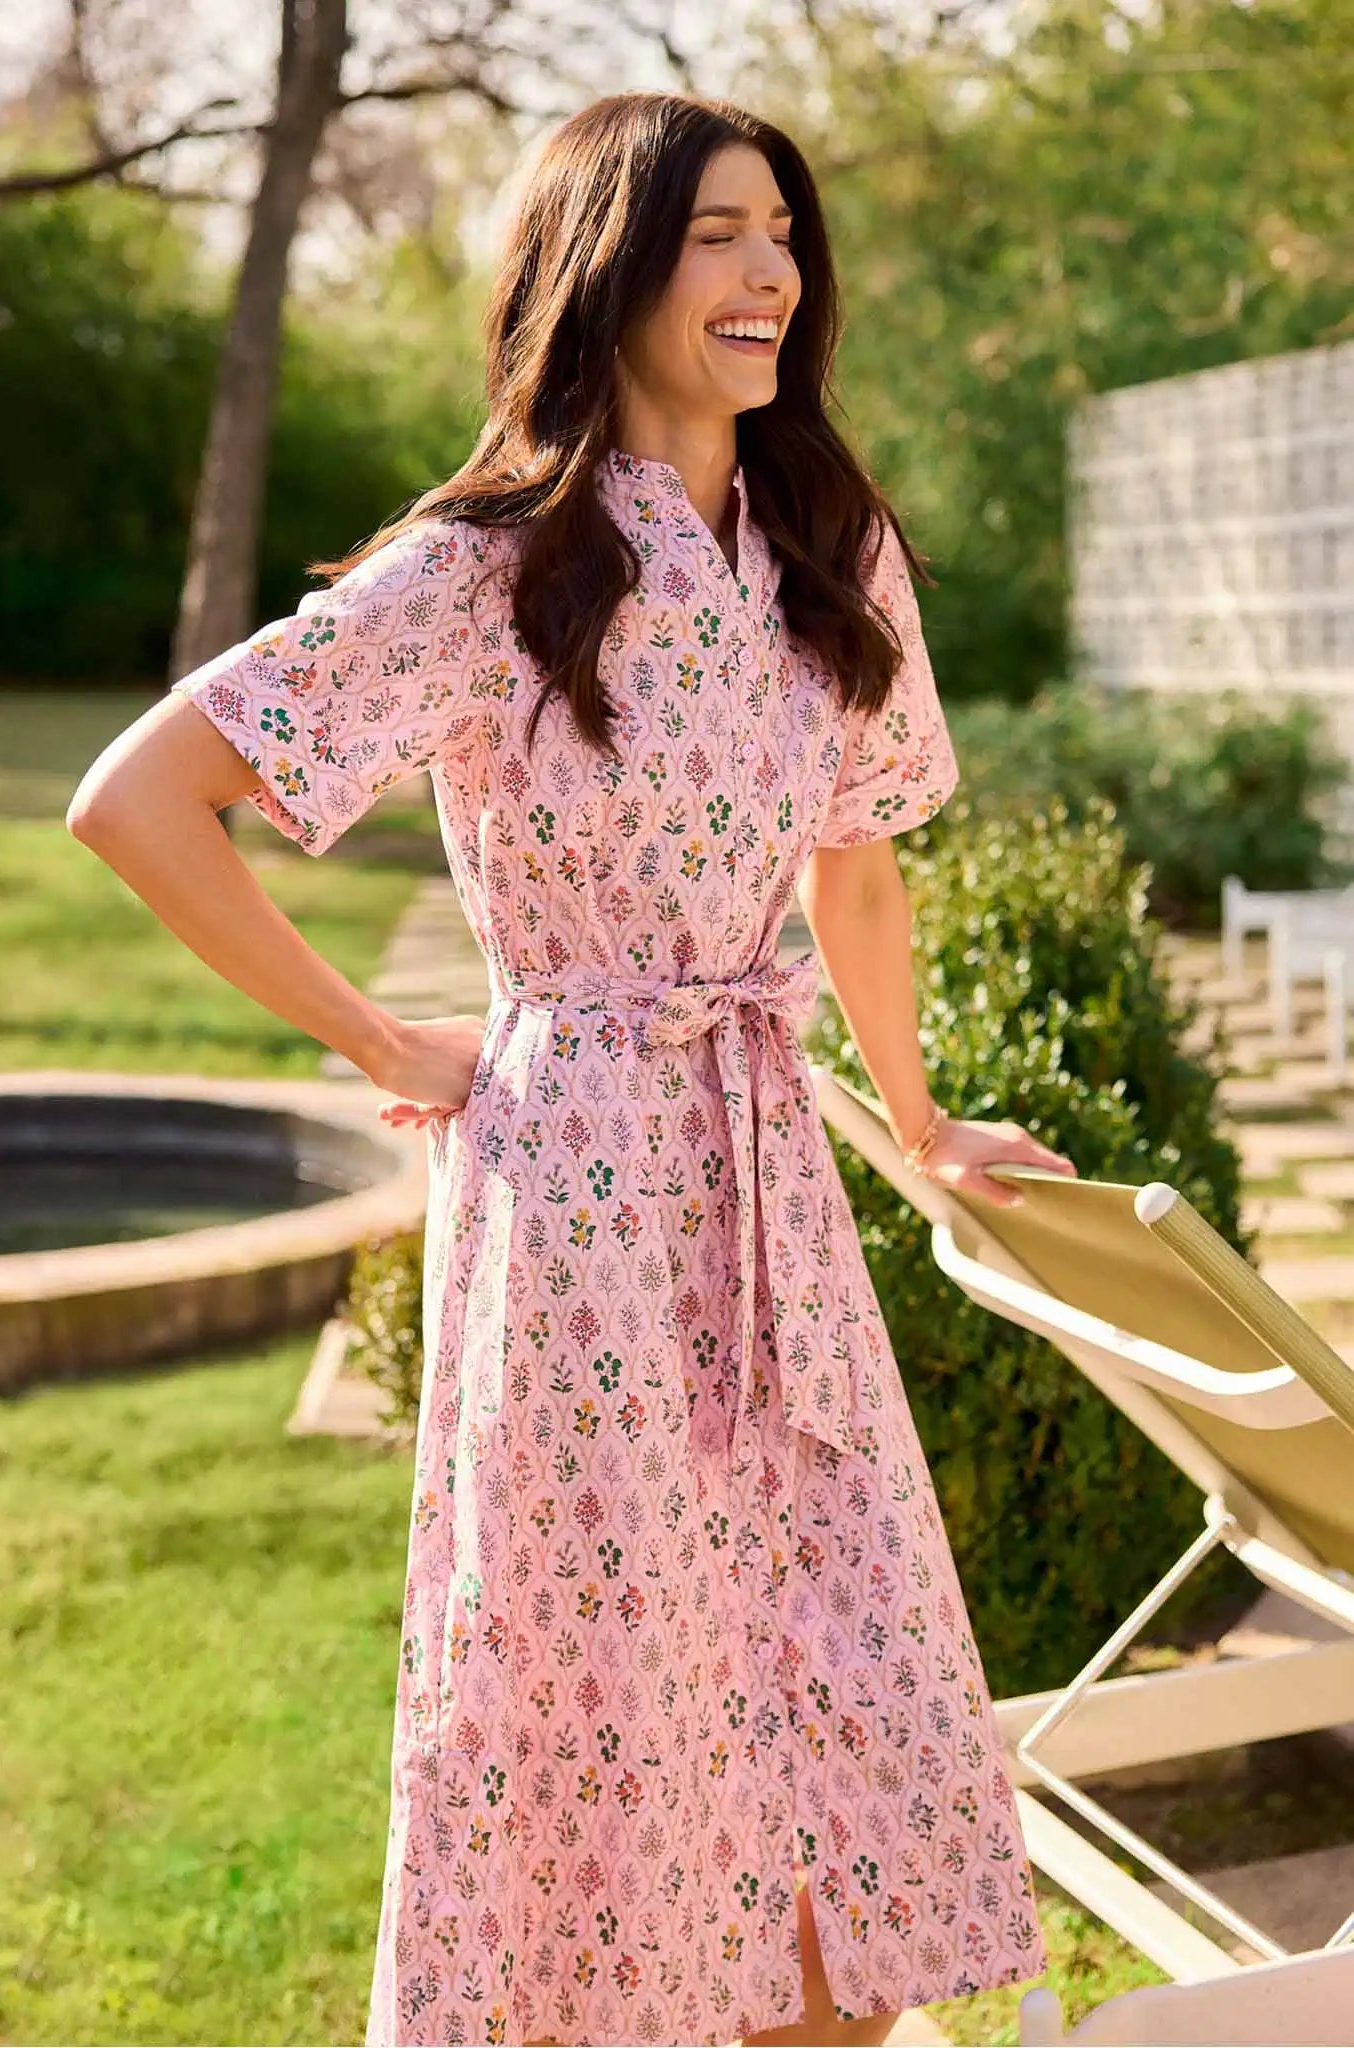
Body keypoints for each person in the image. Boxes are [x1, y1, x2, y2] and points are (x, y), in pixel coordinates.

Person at [67, 89, 1077, 2048]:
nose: (768, 269)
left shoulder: (827, 547)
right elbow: (142, 800)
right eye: (713, 231)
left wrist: (925, 1117)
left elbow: (851, 868)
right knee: (619, 1696)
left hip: (769, 1175)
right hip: (580, 1200)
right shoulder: (484, 569)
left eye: (779, 230)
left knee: (829, 1679)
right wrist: (390, 1039)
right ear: (603, 259)